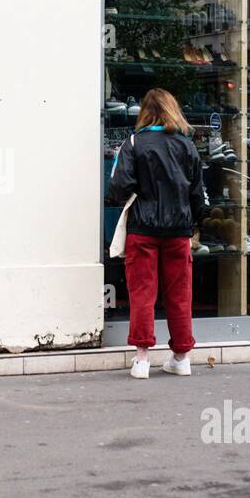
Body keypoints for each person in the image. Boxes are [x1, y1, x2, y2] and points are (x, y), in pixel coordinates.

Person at [108, 88, 207, 379]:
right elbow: (198, 194)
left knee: (142, 293)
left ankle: (141, 360)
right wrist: (193, 221)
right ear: (172, 110)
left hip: (143, 229)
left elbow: (118, 187)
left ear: (145, 112)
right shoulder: (186, 145)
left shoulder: (134, 142)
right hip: (178, 230)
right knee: (180, 295)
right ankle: (181, 357)